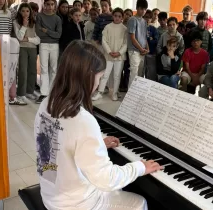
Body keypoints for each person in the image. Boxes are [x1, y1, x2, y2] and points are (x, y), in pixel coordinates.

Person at [35, 40, 163, 210]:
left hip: (52, 194)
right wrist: (140, 167)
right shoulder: (82, 120)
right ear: (88, 76)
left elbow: (59, 145)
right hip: (74, 204)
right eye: (99, 77)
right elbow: (106, 180)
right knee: (140, 203)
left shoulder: (47, 103)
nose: (98, 84)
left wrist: (97, 144)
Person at [93, 7, 127, 101]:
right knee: (105, 74)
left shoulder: (124, 29)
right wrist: (109, 51)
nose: (117, 18)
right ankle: (100, 92)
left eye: (119, 16)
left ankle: (115, 93)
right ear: (113, 16)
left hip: (119, 57)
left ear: (122, 18)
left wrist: (119, 52)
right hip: (108, 55)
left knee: (117, 76)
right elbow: (104, 41)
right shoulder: (108, 27)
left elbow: (126, 43)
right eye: (115, 16)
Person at [35, 0, 62, 104]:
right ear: (44, 5)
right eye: (47, 4)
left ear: (54, 5)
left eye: (52, 4)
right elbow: (39, 32)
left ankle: (52, 93)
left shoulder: (57, 18)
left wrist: (46, 31)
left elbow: (58, 35)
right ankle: (44, 93)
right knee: (44, 69)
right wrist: (51, 33)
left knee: (54, 69)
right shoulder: (40, 16)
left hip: (55, 45)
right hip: (43, 44)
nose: (50, 7)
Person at [14, 3, 40, 103]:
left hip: (33, 48)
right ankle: (21, 93)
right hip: (21, 48)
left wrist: (28, 39)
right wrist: (24, 25)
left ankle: (29, 91)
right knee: (23, 71)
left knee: (32, 71)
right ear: (20, 12)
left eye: (27, 11)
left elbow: (38, 40)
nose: (25, 13)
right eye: (23, 11)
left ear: (30, 12)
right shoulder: (16, 22)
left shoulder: (34, 22)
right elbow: (19, 37)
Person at [127, 0, 149, 87]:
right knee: (134, 73)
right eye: (141, 9)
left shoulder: (144, 21)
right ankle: (130, 96)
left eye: (145, 9)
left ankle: (136, 94)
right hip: (134, 50)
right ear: (137, 8)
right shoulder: (132, 19)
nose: (143, 11)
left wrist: (147, 48)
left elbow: (144, 37)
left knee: (140, 74)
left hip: (142, 50)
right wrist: (141, 49)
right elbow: (132, 38)